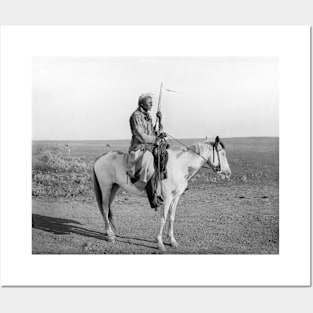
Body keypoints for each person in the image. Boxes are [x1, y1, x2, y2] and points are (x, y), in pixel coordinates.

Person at [128, 93, 166, 209]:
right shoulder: (136, 116)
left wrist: (160, 120)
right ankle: (153, 197)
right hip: (139, 148)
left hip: (148, 146)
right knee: (151, 160)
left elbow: (153, 133)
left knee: (165, 153)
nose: (152, 105)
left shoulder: (147, 116)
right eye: (149, 103)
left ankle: (164, 187)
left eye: (152, 103)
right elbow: (141, 136)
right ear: (142, 103)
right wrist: (156, 140)